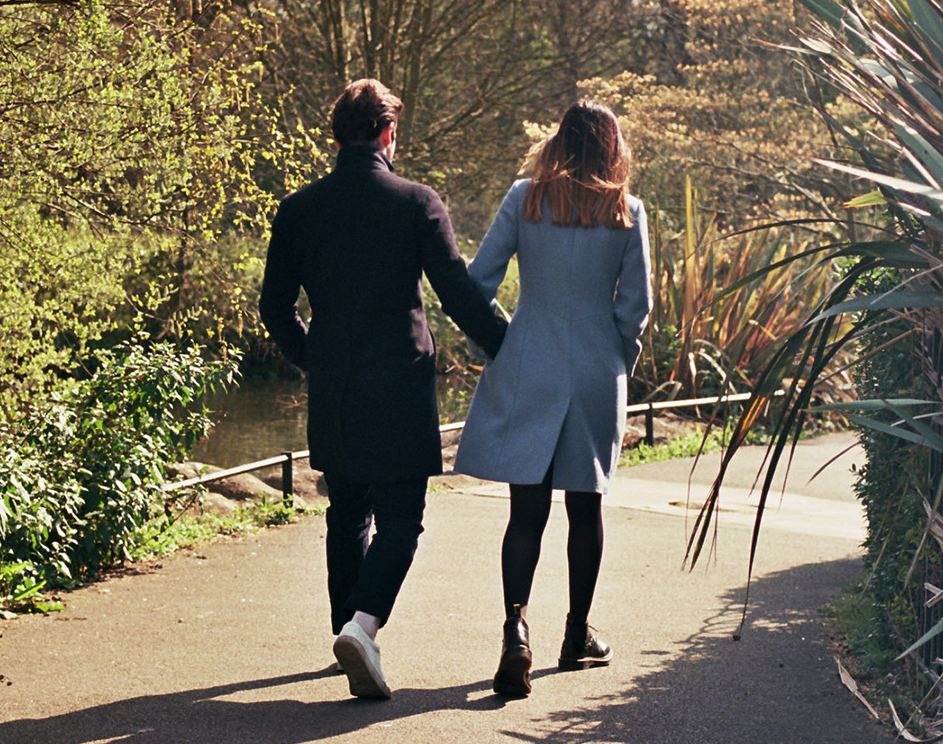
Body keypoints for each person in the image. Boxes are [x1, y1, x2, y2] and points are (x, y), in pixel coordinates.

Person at [258, 79, 508, 700]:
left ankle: (347, 628)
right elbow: (457, 293)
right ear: (390, 133)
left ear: (335, 136)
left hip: (337, 382)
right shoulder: (416, 202)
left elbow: (274, 307)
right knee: (401, 517)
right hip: (400, 380)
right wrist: (507, 346)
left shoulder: (298, 210)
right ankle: (362, 627)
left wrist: (313, 356)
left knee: (347, 510)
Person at [453, 100, 651, 698]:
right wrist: (619, 363)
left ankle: (515, 630)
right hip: (595, 367)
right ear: (612, 147)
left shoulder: (525, 198)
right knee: (585, 508)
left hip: (529, 357)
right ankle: (574, 634)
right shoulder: (627, 210)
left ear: (558, 141)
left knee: (526, 512)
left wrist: (501, 343)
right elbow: (635, 308)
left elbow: (477, 281)